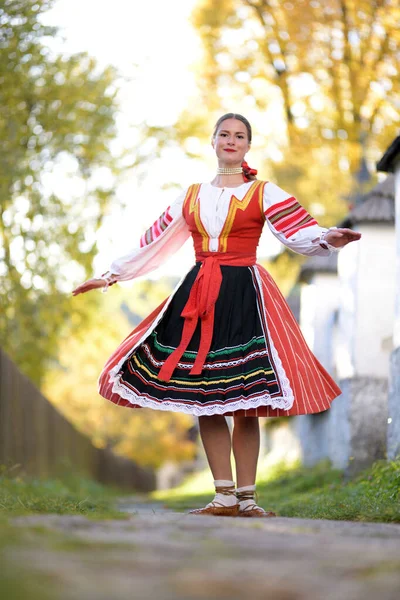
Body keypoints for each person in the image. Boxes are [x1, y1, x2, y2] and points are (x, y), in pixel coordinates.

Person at [72, 113, 361, 518]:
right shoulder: (190, 196)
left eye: (239, 135)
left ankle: (247, 499)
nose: (231, 140)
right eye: (224, 134)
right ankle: (223, 496)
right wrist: (109, 276)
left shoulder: (264, 192)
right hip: (199, 295)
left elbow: (298, 230)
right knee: (204, 398)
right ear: (212, 141)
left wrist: (328, 237)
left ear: (247, 146)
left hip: (245, 294)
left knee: (247, 400)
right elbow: (153, 242)